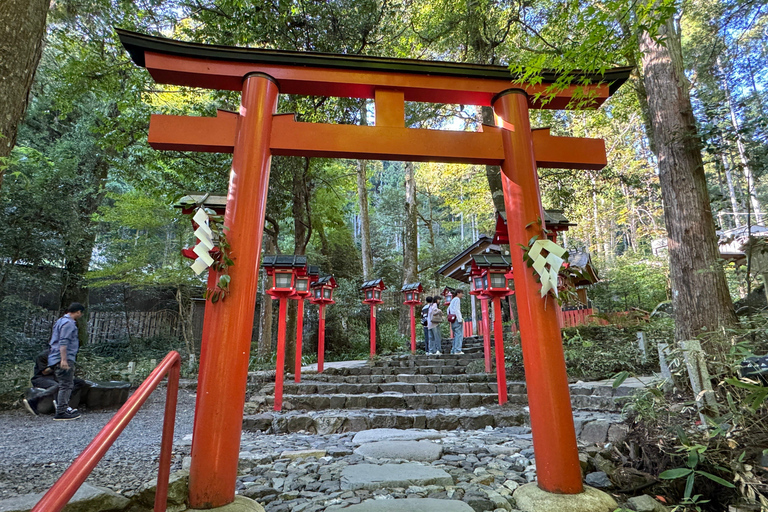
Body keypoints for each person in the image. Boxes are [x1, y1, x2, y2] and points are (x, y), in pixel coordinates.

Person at [47, 303, 85, 420]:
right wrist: (63, 359)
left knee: (63, 384)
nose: (81, 315)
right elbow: (63, 342)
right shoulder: (69, 323)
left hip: (55, 357)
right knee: (66, 385)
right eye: (81, 313)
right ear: (78, 312)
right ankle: (61, 411)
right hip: (63, 357)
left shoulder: (60, 321)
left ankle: (62, 408)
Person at [23, 350, 87, 416]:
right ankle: (35, 399)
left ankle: (63, 401)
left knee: (79, 382)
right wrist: (56, 364)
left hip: (56, 378)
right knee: (59, 385)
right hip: (41, 378)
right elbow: (44, 372)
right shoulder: (43, 356)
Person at [448, 289, 465, 354]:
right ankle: (458, 350)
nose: (462, 295)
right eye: (461, 293)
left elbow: (448, 309)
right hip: (456, 318)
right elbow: (457, 309)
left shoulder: (452, 300)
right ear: (458, 293)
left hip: (452, 319)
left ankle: (453, 350)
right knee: (459, 334)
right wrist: (460, 319)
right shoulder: (457, 299)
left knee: (456, 334)